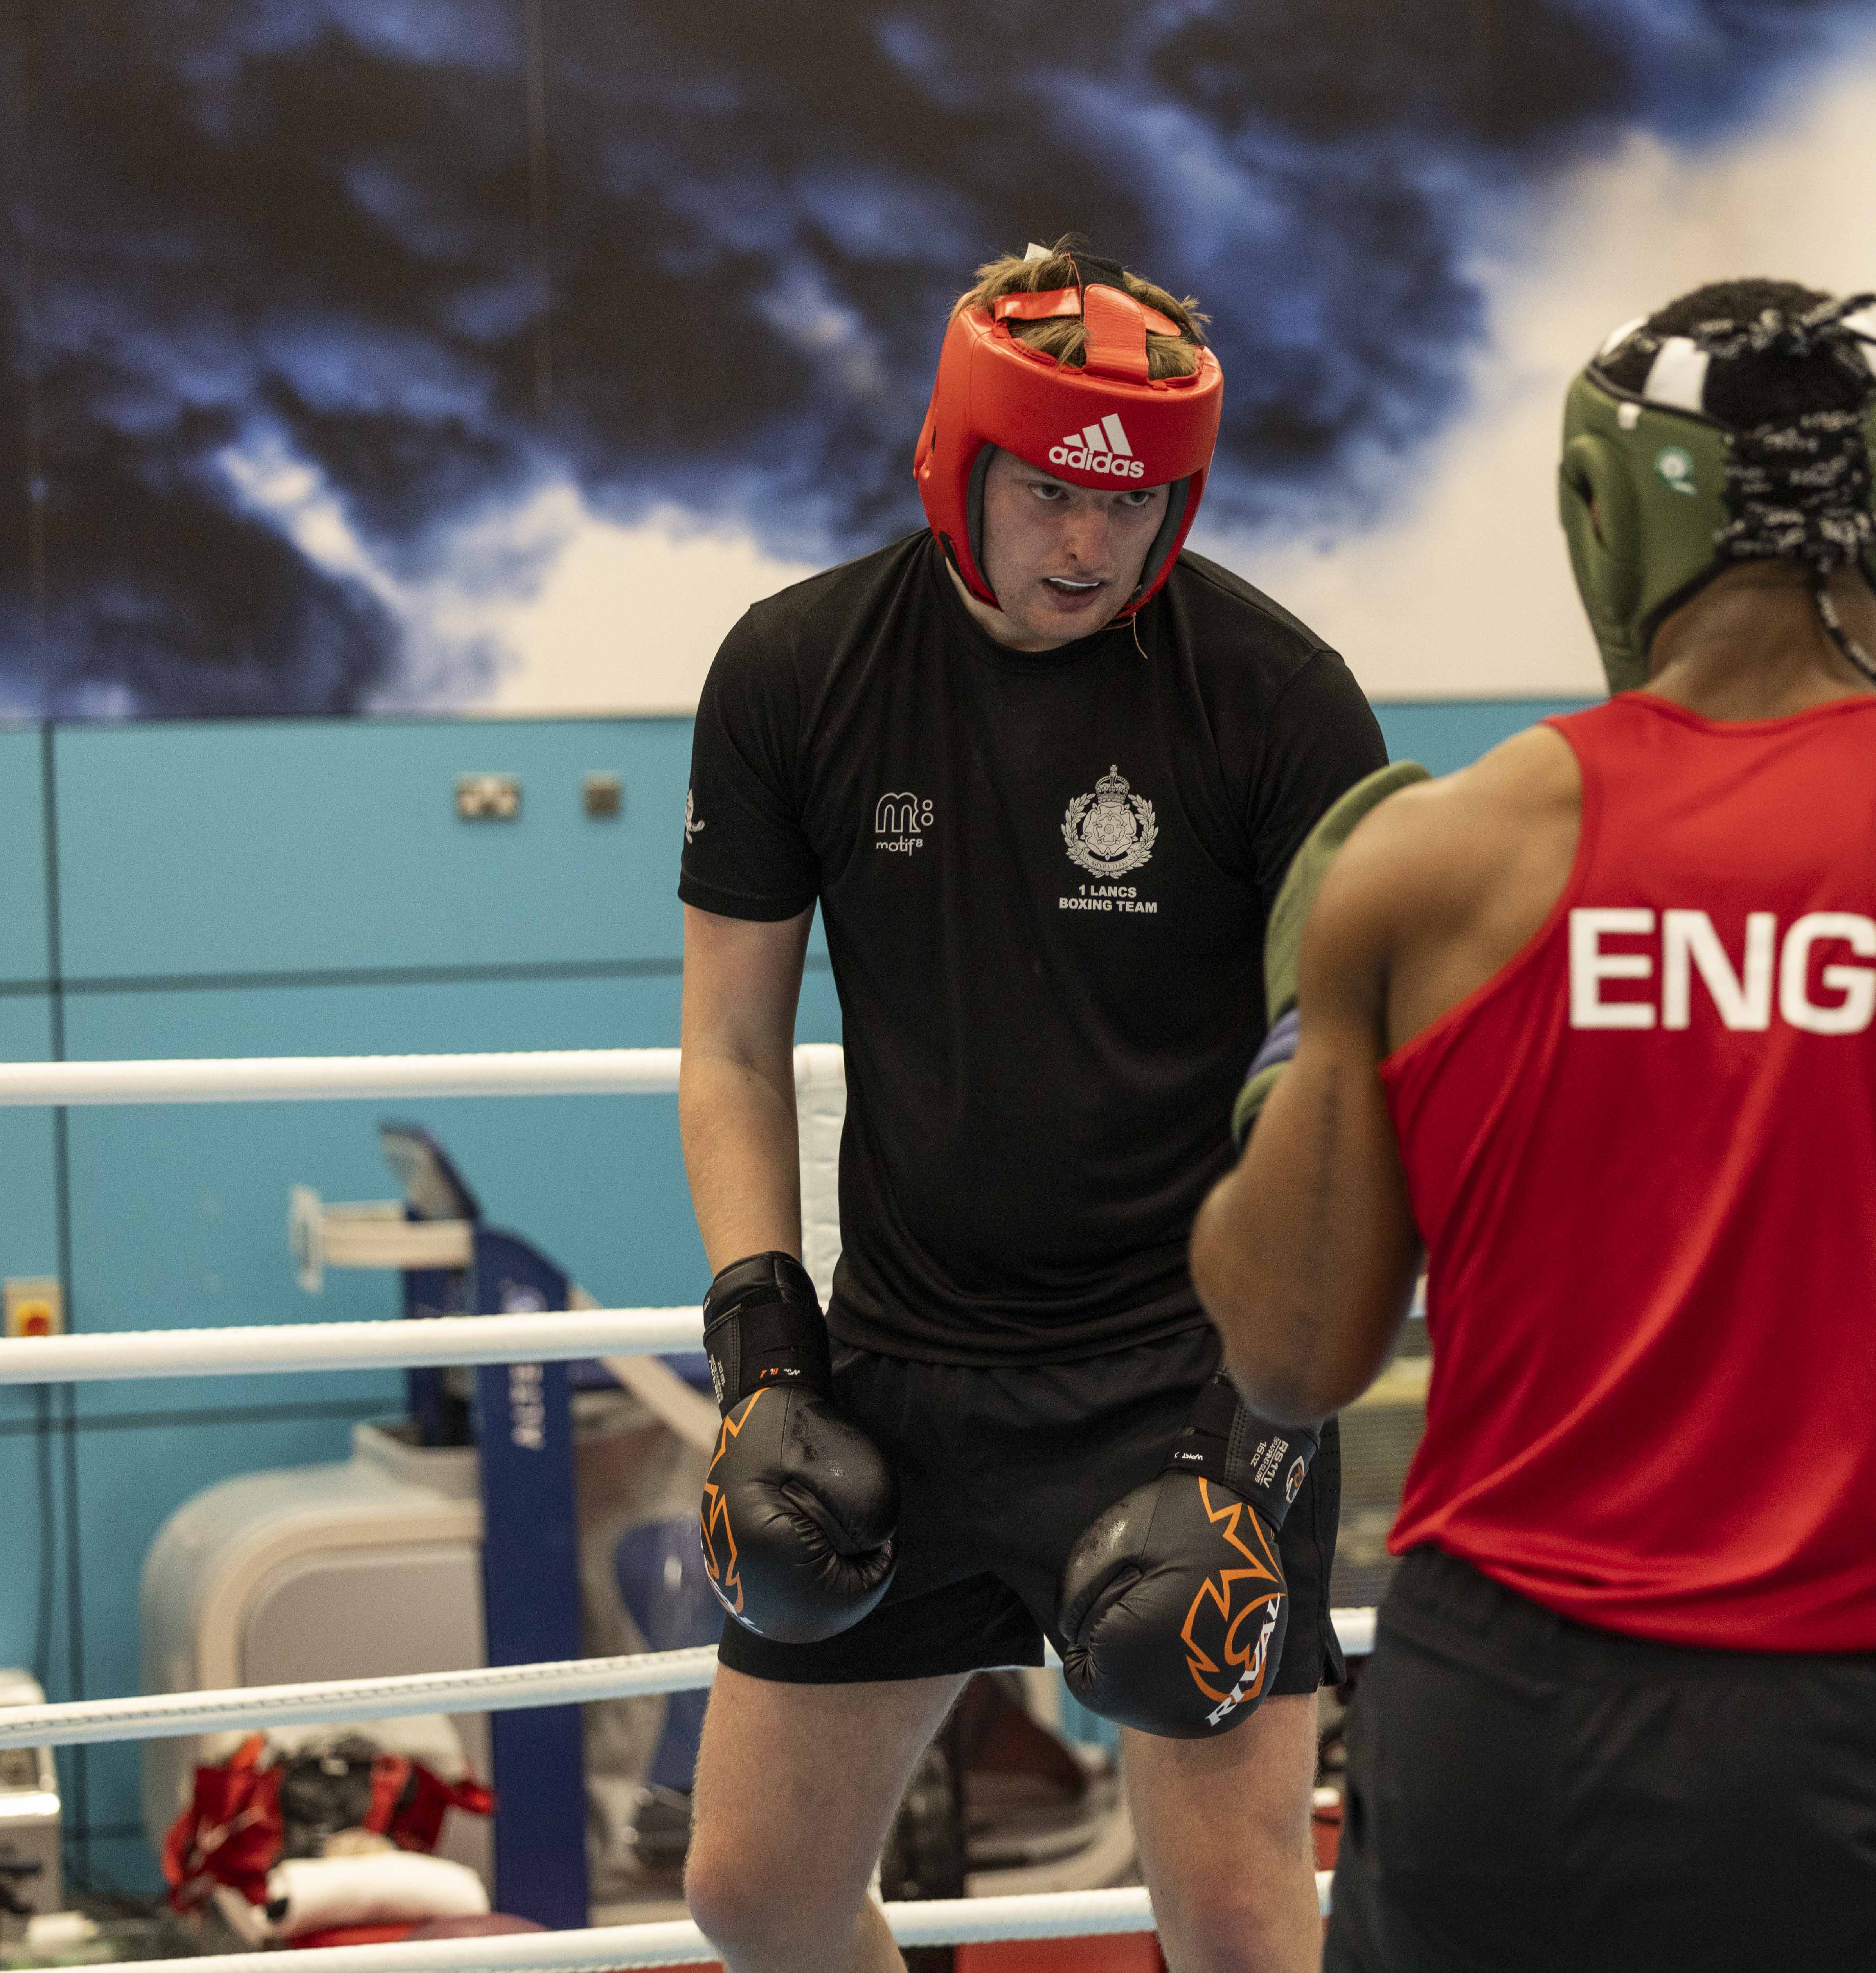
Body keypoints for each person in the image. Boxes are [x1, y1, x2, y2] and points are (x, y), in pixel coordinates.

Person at [1191, 279, 1876, 1971]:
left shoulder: (1436, 862)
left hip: (1485, 1736)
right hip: (1851, 1749)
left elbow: (1290, 1355)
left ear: (1600, 511)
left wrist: (1295, 1055)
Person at [676, 241, 1387, 1973]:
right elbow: (733, 1047)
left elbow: (1362, 1096)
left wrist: (1257, 1442)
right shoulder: (797, 670)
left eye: (1135, 503)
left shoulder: (1275, 697)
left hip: (1182, 1378)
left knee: (1235, 1925)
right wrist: (762, 1352)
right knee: (751, 1892)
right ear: (957, 457)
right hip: (903, 1370)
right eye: (1051, 496)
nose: (1090, 545)